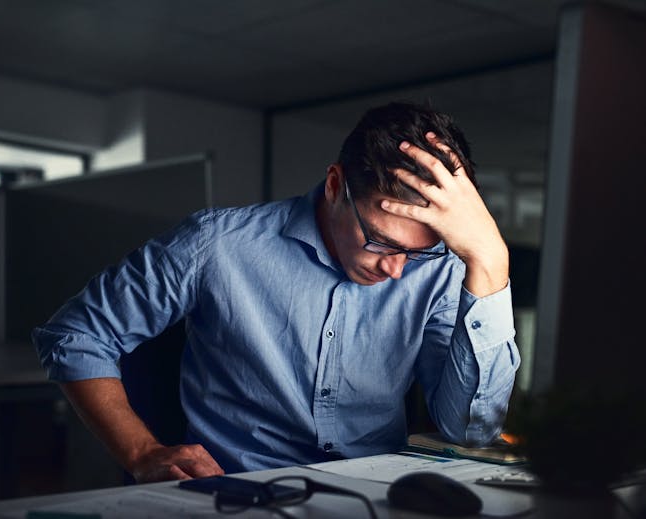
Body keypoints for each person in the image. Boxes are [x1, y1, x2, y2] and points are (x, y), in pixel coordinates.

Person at [33, 101, 520, 483]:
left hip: (371, 497)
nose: (397, 270)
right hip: (236, 491)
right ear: (335, 185)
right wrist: (140, 451)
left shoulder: (436, 270)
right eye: (381, 242)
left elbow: (470, 430)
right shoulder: (216, 244)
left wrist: (490, 263)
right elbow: (76, 335)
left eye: (420, 252)